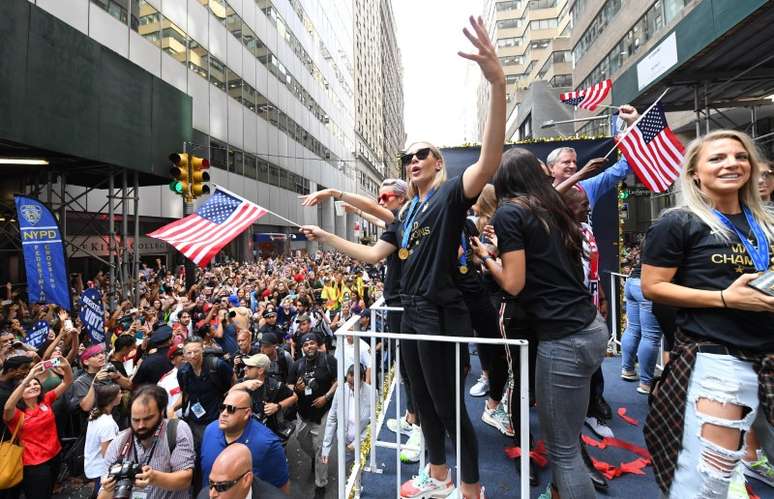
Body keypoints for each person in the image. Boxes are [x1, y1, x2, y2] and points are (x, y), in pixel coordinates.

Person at [301, 17, 504, 499]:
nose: (413, 160)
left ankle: (471, 489)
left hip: (442, 314)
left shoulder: (454, 193)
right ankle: (438, 478)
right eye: (408, 156)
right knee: (426, 403)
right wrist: (326, 236)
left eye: (423, 154)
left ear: (439, 162)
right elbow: (374, 255)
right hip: (410, 314)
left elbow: (490, 158)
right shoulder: (405, 210)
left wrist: (496, 83)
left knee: (450, 406)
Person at [641, 130, 774, 497]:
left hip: (768, 356)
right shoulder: (679, 222)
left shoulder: (766, 222)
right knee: (706, 481)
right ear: (695, 173)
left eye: (740, 156)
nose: (732, 163)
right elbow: (653, 286)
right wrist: (725, 298)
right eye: (717, 158)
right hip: (718, 361)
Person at [473, 147, 608, 499]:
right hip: (590, 328)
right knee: (566, 432)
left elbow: (513, 283)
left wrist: (487, 257)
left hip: (563, 339)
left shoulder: (509, 214)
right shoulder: (551, 209)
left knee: (562, 451)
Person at [99, 385, 196, 499]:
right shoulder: (119, 443)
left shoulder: (176, 431)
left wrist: (154, 478)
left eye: (147, 419)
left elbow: (185, 479)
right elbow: (102, 496)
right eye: (135, 420)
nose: (141, 425)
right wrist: (109, 489)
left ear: (161, 412)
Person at [2, 357, 73, 498]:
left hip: (55, 455)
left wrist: (66, 366)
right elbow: (8, 406)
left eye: (36, 384)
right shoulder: (15, 414)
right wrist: (28, 378)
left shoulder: (46, 400)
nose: (33, 386)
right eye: (28, 385)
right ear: (18, 392)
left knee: (49, 492)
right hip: (34, 464)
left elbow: (67, 381)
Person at [199, 389, 289, 493]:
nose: (224, 413)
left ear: (247, 413)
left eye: (231, 409)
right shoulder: (210, 430)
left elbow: (280, 489)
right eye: (222, 408)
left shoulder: (268, 445)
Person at [288, 333, 338, 497]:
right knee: (302, 441)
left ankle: (320, 484)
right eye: (306, 344)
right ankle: (316, 460)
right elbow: (289, 386)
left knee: (321, 449)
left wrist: (326, 397)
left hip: (323, 414)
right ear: (302, 348)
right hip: (303, 414)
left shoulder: (328, 360)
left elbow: (338, 381)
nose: (309, 346)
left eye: (312, 343)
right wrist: (297, 388)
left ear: (317, 344)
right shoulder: (297, 365)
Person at [319, 363, 374, 496]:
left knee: (361, 472)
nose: (351, 387)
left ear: (362, 378)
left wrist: (357, 443)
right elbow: (332, 418)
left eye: (354, 384)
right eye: (349, 383)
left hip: (361, 443)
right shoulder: (341, 390)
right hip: (343, 442)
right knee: (345, 474)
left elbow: (374, 423)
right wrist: (326, 447)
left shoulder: (372, 392)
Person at [175, 336, 233, 450]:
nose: (193, 355)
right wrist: (172, 408)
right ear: (184, 354)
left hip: (217, 417)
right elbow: (185, 394)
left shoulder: (216, 365)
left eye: (196, 351)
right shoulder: (183, 372)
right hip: (196, 420)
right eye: (189, 352)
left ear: (202, 350)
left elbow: (233, 382)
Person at [231, 353, 297, 441]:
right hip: (245, 432)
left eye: (249, 367)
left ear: (260, 371)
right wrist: (241, 386)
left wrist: (277, 406)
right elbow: (229, 398)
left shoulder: (275, 385)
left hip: (270, 433)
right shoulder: (241, 384)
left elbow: (294, 397)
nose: (245, 368)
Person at [196, 443, 286, 499]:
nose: (212, 494)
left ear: (246, 480)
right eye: (211, 483)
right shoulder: (204, 496)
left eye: (221, 487)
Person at [84, 383, 122, 498]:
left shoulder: (96, 413)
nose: (121, 395)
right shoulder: (107, 424)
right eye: (119, 393)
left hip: (92, 465)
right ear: (112, 398)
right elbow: (107, 454)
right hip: (100, 470)